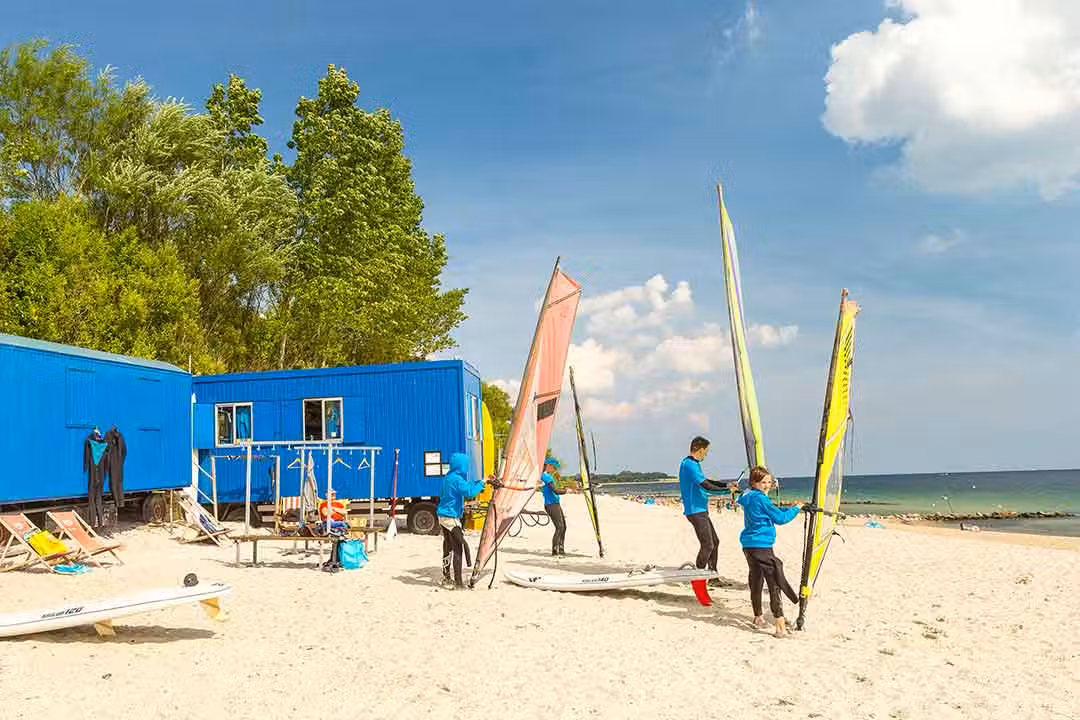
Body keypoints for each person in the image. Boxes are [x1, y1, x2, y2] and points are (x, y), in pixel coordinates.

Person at [737, 465, 802, 637]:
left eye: (769, 482)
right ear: (754, 482)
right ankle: (779, 625)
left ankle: (758, 617)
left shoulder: (747, 496)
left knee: (756, 580)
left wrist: (785, 508)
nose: (767, 485)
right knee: (774, 581)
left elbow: (769, 513)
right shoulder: (761, 499)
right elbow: (780, 519)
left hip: (748, 545)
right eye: (763, 482)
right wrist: (797, 508)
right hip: (762, 545)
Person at [678, 436, 737, 582]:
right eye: (706, 451)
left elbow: (706, 481)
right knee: (708, 544)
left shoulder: (693, 464)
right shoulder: (689, 464)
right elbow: (705, 486)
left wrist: (726, 485)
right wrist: (727, 492)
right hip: (695, 511)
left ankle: (713, 577)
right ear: (700, 449)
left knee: (714, 542)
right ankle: (697, 578)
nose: (706, 454)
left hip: (700, 510)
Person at [436, 452, 487, 588]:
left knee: (448, 546)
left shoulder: (449, 477)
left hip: (442, 516)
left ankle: (446, 577)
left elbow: (467, 486)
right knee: (460, 546)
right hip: (451, 518)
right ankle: (458, 583)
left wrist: (478, 483)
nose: (467, 467)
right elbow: (470, 493)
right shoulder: (457, 480)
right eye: (466, 465)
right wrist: (482, 483)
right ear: (461, 465)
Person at [539, 457, 567, 556]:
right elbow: (555, 491)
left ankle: (561, 548)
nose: (556, 470)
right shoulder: (545, 476)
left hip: (555, 504)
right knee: (559, 527)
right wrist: (567, 491)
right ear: (549, 466)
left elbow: (556, 489)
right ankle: (555, 551)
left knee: (564, 526)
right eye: (555, 467)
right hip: (551, 505)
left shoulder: (549, 476)